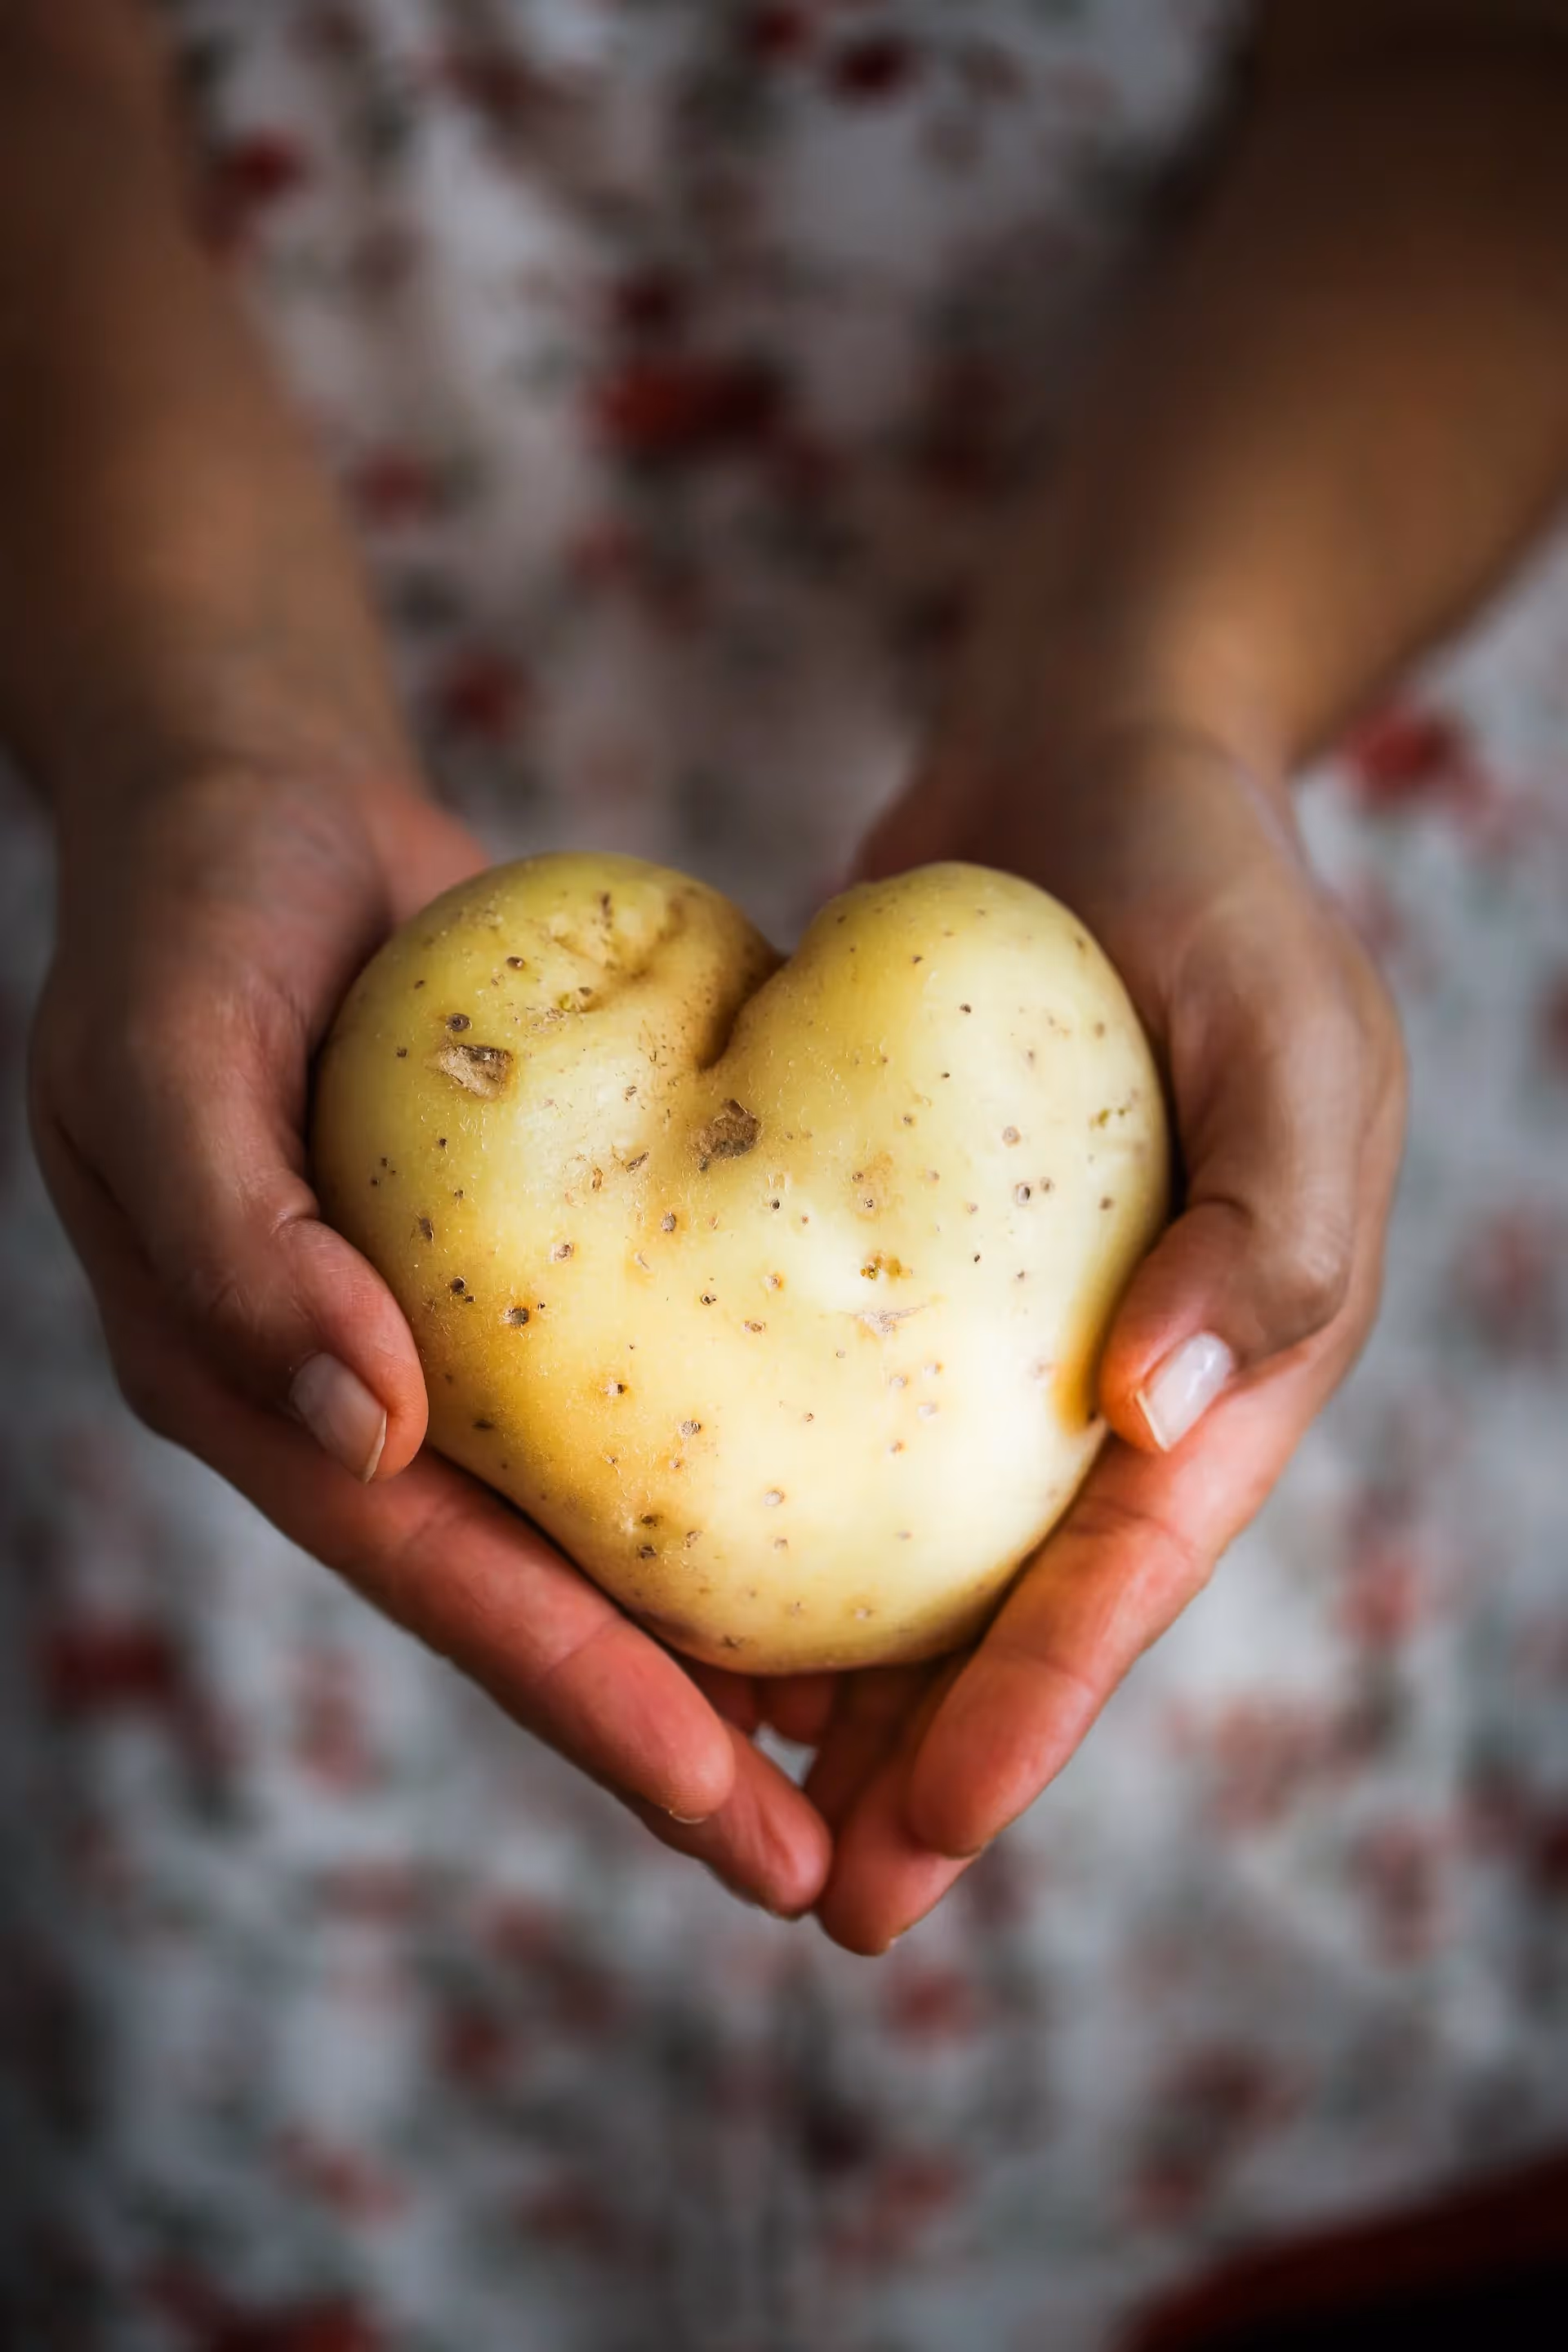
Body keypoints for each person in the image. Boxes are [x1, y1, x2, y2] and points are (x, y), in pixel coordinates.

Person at [2, 1, 1566, 2344]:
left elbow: (1481, 77)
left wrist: (1152, 710)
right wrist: (199, 740)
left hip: (1246, 715)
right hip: (198, 886)